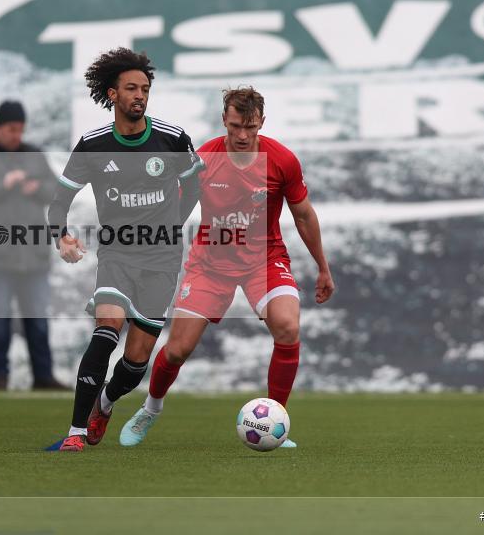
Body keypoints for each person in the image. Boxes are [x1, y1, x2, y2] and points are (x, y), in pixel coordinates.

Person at [118, 86, 335, 448]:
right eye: (235, 126)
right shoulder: (203, 159)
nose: (242, 135)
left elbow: (303, 215)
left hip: (263, 260)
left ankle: (274, 422)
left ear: (262, 122)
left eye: (250, 126)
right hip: (210, 263)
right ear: (224, 120)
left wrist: (323, 267)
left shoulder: (282, 160)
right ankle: (150, 409)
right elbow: (174, 213)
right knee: (177, 349)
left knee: (287, 326)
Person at [47, 47, 204, 452]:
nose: (140, 95)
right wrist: (62, 236)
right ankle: (77, 432)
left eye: (145, 88)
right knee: (105, 333)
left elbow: (195, 184)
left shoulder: (172, 138)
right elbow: (58, 201)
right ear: (112, 94)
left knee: (136, 362)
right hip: (117, 256)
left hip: (163, 260)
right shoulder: (93, 144)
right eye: (131, 88)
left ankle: (105, 402)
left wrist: (173, 223)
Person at [0, 100, 66, 391]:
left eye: (20, 129)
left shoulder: (35, 155)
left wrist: (39, 188)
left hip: (32, 255)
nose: (16, 135)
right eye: (11, 129)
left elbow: (57, 190)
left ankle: (43, 377)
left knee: (37, 320)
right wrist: (4, 183)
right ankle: (0, 378)